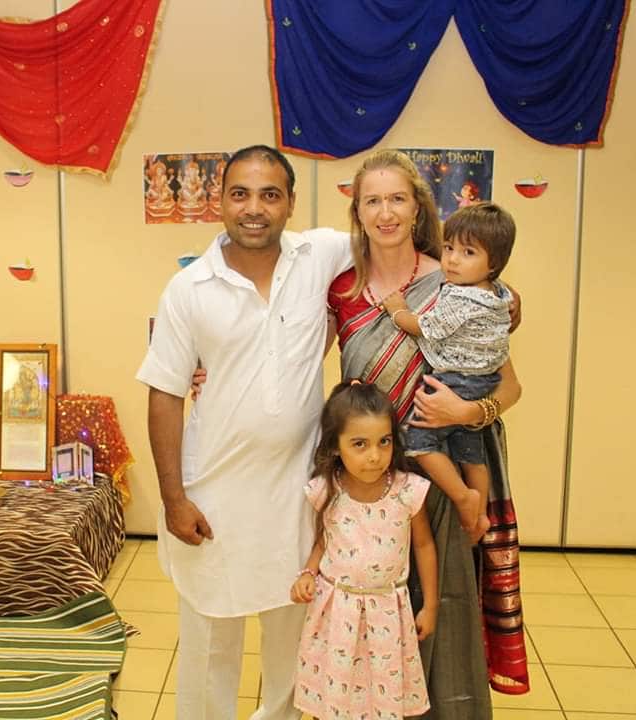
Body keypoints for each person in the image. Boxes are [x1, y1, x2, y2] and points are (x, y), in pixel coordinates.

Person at [137, 144, 354, 720]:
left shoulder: (322, 254)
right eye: (240, 193)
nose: (254, 208)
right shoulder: (189, 289)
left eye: (269, 194)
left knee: (293, 640)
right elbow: (164, 393)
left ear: (289, 204)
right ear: (220, 201)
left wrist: (494, 296)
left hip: (296, 495)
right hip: (212, 496)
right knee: (212, 643)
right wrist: (173, 498)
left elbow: (401, 250)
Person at [330, 149, 529, 710]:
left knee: (442, 612)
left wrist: (470, 414)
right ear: (358, 210)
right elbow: (289, 361)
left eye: (398, 198)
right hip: (368, 485)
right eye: (373, 200)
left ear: (418, 208)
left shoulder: (459, 282)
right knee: (366, 619)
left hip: (440, 482)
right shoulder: (342, 289)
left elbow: (509, 387)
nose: (386, 212)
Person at [291, 381, 437, 719]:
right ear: (335, 445)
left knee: (384, 697)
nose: (374, 455)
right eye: (360, 444)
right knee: (334, 694)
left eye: (384, 442)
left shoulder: (407, 491)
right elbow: (324, 539)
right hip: (336, 613)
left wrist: (429, 605)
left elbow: (425, 546)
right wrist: (308, 573)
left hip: (388, 612)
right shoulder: (328, 489)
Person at [383, 202, 516, 543]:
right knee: (470, 447)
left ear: (493, 264)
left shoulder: (461, 298)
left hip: (454, 380)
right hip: (482, 382)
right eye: (449, 248)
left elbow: (426, 327)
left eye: (468, 252)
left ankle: (462, 496)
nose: (453, 259)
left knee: (417, 439)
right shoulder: (500, 294)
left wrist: (398, 311)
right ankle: (481, 514)